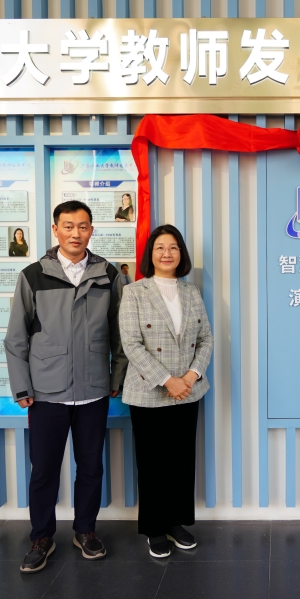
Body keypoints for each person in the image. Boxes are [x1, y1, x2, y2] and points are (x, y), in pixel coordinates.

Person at [4, 200, 127, 573]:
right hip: (46, 392)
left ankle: (85, 530)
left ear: (92, 230)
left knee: (90, 467)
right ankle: (41, 537)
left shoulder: (108, 274)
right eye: (69, 226)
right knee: (43, 469)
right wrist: (22, 387)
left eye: (83, 226)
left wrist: (116, 378)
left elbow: (121, 333)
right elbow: (16, 337)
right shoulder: (33, 275)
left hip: (93, 390)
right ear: (55, 229)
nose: (76, 233)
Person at [119, 224, 213, 559]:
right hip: (149, 391)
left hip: (188, 390)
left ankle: (176, 522)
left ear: (181, 253)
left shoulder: (192, 292)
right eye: (160, 247)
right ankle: (154, 529)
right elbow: (131, 344)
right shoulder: (134, 292)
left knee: (181, 460)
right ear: (151, 254)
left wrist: (190, 376)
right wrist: (167, 380)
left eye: (173, 247)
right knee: (152, 462)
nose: (167, 253)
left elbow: (205, 338)